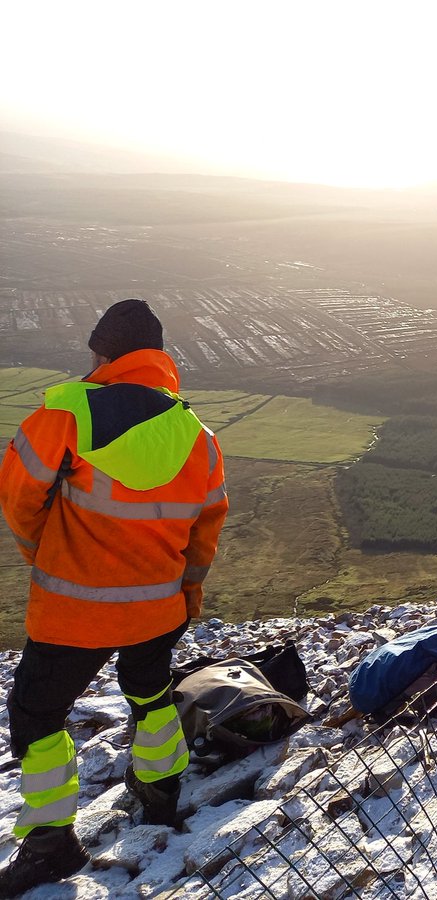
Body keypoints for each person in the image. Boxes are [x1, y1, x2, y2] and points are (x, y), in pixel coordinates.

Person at [0, 298, 228, 895]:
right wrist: (188, 594)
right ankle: (160, 796)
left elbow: (20, 500)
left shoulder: (65, 414)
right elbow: (206, 530)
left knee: (36, 714)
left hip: (73, 609)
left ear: (103, 352)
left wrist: (43, 557)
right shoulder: (198, 434)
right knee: (151, 695)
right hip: (158, 608)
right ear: (158, 357)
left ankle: (50, 844)